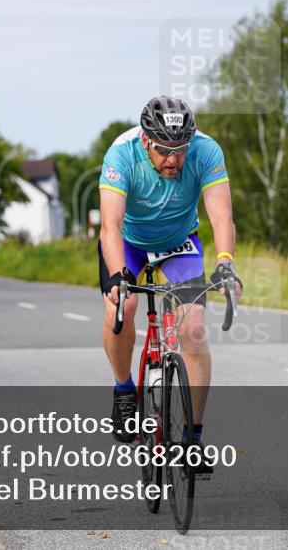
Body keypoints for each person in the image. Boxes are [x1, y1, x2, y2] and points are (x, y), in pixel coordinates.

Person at [98, 96, 242, 477]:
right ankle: (124, 389)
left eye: (180, 150)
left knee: (193, 329)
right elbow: (109, 226)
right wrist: (118, 275)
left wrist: (225, 262)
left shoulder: (207, 151)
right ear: (146, 141)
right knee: (122, 309)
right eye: (163, 150)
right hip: (128, 243)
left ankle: (193, 439)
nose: (172, 161)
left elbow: (221, 215)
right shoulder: (121, 154)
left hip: (178, 243)